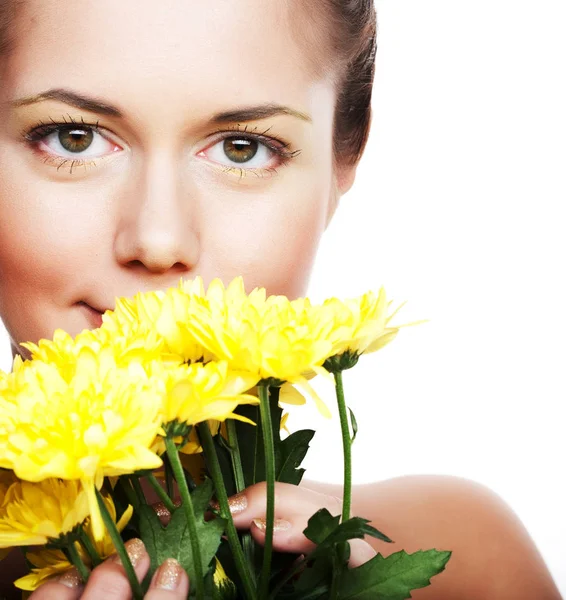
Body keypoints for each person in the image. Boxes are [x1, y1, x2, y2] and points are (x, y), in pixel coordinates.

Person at [0, 1, 561, 599]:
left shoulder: (473, 563)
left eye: (242, 147)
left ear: (346, 158)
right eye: (74, 137)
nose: (158, 240)